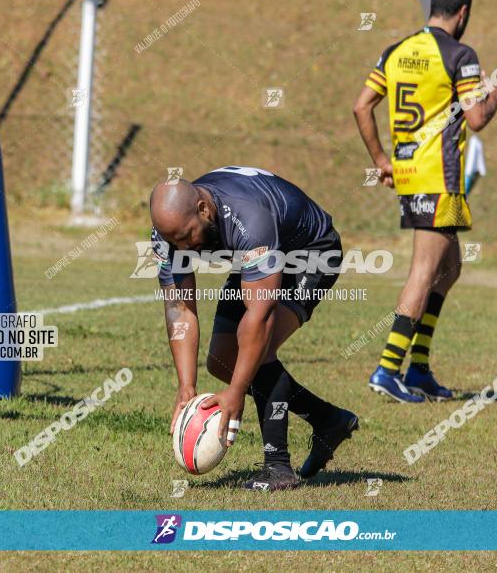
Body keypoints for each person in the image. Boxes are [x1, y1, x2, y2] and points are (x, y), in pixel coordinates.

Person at [150, 165, 359, 490]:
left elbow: (259, 319)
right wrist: (186, 386)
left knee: (257, 354)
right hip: (262, 253)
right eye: (172, 240)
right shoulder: (171, 234)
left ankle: (278, 467)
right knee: (221, 360)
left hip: (311, 252)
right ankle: (328, 420)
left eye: (187, 235)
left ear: (204, 209)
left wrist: (236, 393)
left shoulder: (250, 221)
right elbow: (179, 309)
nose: (183, 248)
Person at [352, 0, 497, 402]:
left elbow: (361, 106)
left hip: (411, 174)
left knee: (449, 267)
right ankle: (387, 369)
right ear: (463, 12)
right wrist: (494, 98)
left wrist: (382, 159)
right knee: (424, 271)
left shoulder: (396, 50)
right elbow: (475, 120)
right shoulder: (460, 55)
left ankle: (418, 368)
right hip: (439, 177)